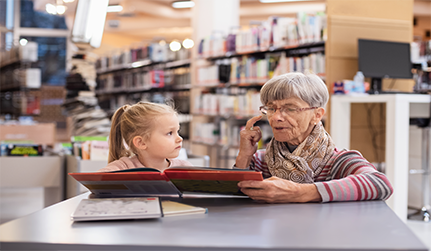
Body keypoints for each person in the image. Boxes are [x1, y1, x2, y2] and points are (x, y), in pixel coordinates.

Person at [235, 72, 393, 203]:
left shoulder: (337, 161)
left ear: (317, 115)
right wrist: (244, 156)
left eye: (290, 108)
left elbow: (380, 184)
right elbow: (231, 195)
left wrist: (299, 192)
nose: (276, 117)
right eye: (271, 108)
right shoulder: (261, 160)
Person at [98, 101, 193, 172]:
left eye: (177, 131)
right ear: (141, 142)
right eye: (169, 133)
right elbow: (96, 182)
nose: (179, 138)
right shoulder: (124, 167)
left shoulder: (184, 168)